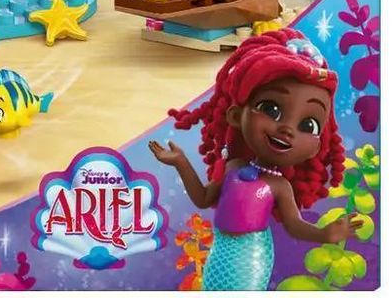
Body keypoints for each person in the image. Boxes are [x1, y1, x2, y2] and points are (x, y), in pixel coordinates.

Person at [150, 30, 360, 290]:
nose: (287, 129)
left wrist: (325, 234)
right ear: (236, 115)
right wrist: (181, 162)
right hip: (221, 251)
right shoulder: (233, 167)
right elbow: (203, 198)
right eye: (271, 109)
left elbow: (294, 225)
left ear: (315, 147)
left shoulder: (278, 186)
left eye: (308, 124)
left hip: (252, 255)